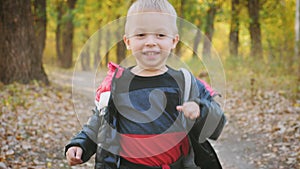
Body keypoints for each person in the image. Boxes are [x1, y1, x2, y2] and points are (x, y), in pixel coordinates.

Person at [65, 0, 226, 169]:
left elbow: (217, 120)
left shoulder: (185, 82)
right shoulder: (117, 84)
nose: (150, 42)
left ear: (174, 41)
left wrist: (201, 110)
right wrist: (80, 144)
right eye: (141, 35)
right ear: (127, 42)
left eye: (160, 35)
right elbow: (98, 123)